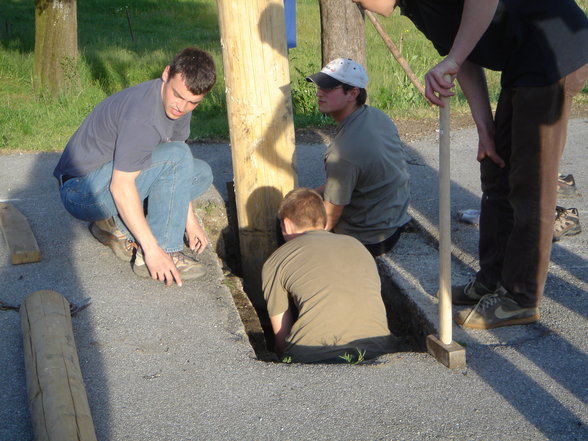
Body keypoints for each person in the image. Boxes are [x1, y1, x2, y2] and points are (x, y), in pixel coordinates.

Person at [354, 0, 588, 328]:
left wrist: (453, 58)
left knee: (529, 184)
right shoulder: (416, 8)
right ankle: (492, 281)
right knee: (496, 167)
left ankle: (521, 298)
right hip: (523, 61)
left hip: (554, 50)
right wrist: (485, 128)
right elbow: (461, 56)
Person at [54, 47, 217, 287]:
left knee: (201, 173)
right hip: (82, 192)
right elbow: (121, 185)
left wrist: (190, 222)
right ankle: (161, 249)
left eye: (193, 102)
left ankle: (115, 224)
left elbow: (179, 167)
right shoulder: (142, 115)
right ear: (166, 73)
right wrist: (152, 250)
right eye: (178, 96)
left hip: (110, 180)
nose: (181, 107)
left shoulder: (179, 107)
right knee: (177, 157)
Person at [262, 188, 395, 363]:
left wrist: (283, 358)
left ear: (286, 224)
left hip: (312, 355)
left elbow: (280, 333)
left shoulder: (277, 260)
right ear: (325, 223)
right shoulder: (357, 246)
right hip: (379, 349)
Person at [305, 58, 411, 257]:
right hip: (393, 221)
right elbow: (360, 179)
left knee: (285, 225)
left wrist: (300, 244)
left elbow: (330, 218)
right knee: (299, 201)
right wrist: (308, 194)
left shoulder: (343, 153)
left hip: (368, 238)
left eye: (328, 88)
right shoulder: (378, 117)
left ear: (353, 93)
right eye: (319, 86)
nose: (319, 93)